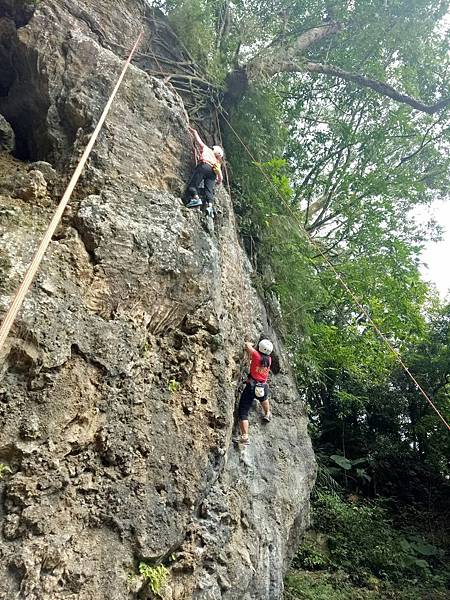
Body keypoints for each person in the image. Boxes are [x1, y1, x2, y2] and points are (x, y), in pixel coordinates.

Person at [236, 338, 273, 445]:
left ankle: (245, 436)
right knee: (264, 398)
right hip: (263, 386)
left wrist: (251, 343)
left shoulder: (256, 355)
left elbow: (247, 345)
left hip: (251, 386)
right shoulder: (269, 360)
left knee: (243, 410)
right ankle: (267, 413)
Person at [186, 126, 223, 209]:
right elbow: (220, 177)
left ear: (214, 150)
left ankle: (196, 198)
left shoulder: (207, 149)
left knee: (193, 184)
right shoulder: (217, 162)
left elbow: (199, 140)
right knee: (208, 190)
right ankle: (209, 205)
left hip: (205, 166)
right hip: (213, 173)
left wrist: (193, 131)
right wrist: (218, 181)